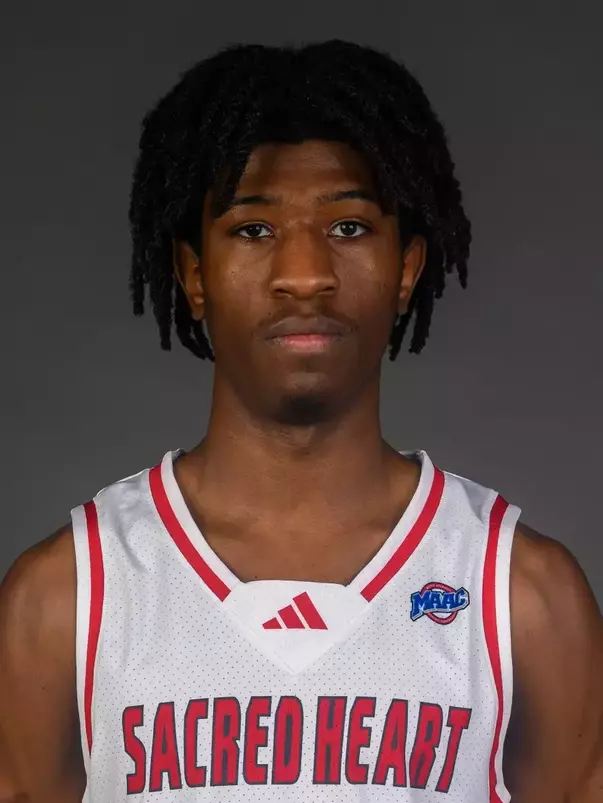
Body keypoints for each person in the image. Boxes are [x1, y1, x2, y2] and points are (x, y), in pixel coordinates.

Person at [0, 39, 601, 803]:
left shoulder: (519, 594)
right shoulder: (68, 597)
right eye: (253, 230)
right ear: (193, 274)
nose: (304, 274)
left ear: (407, 268)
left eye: (347, 227)